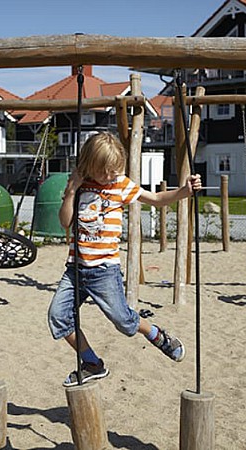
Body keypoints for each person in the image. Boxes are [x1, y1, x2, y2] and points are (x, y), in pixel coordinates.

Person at [48, 132, 202, 387]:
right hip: (75, 269)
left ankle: (156, 334)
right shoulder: (80, 184)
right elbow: (65, 222)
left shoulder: (120, 184)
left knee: (123, 321)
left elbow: (156, 199)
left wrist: (183, 192)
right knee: (58, 316)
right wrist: (71, 191)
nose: (109, 176)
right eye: (104, 172)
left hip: (104, 271)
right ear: (89, 166)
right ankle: (92, 363)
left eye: (113, 171)